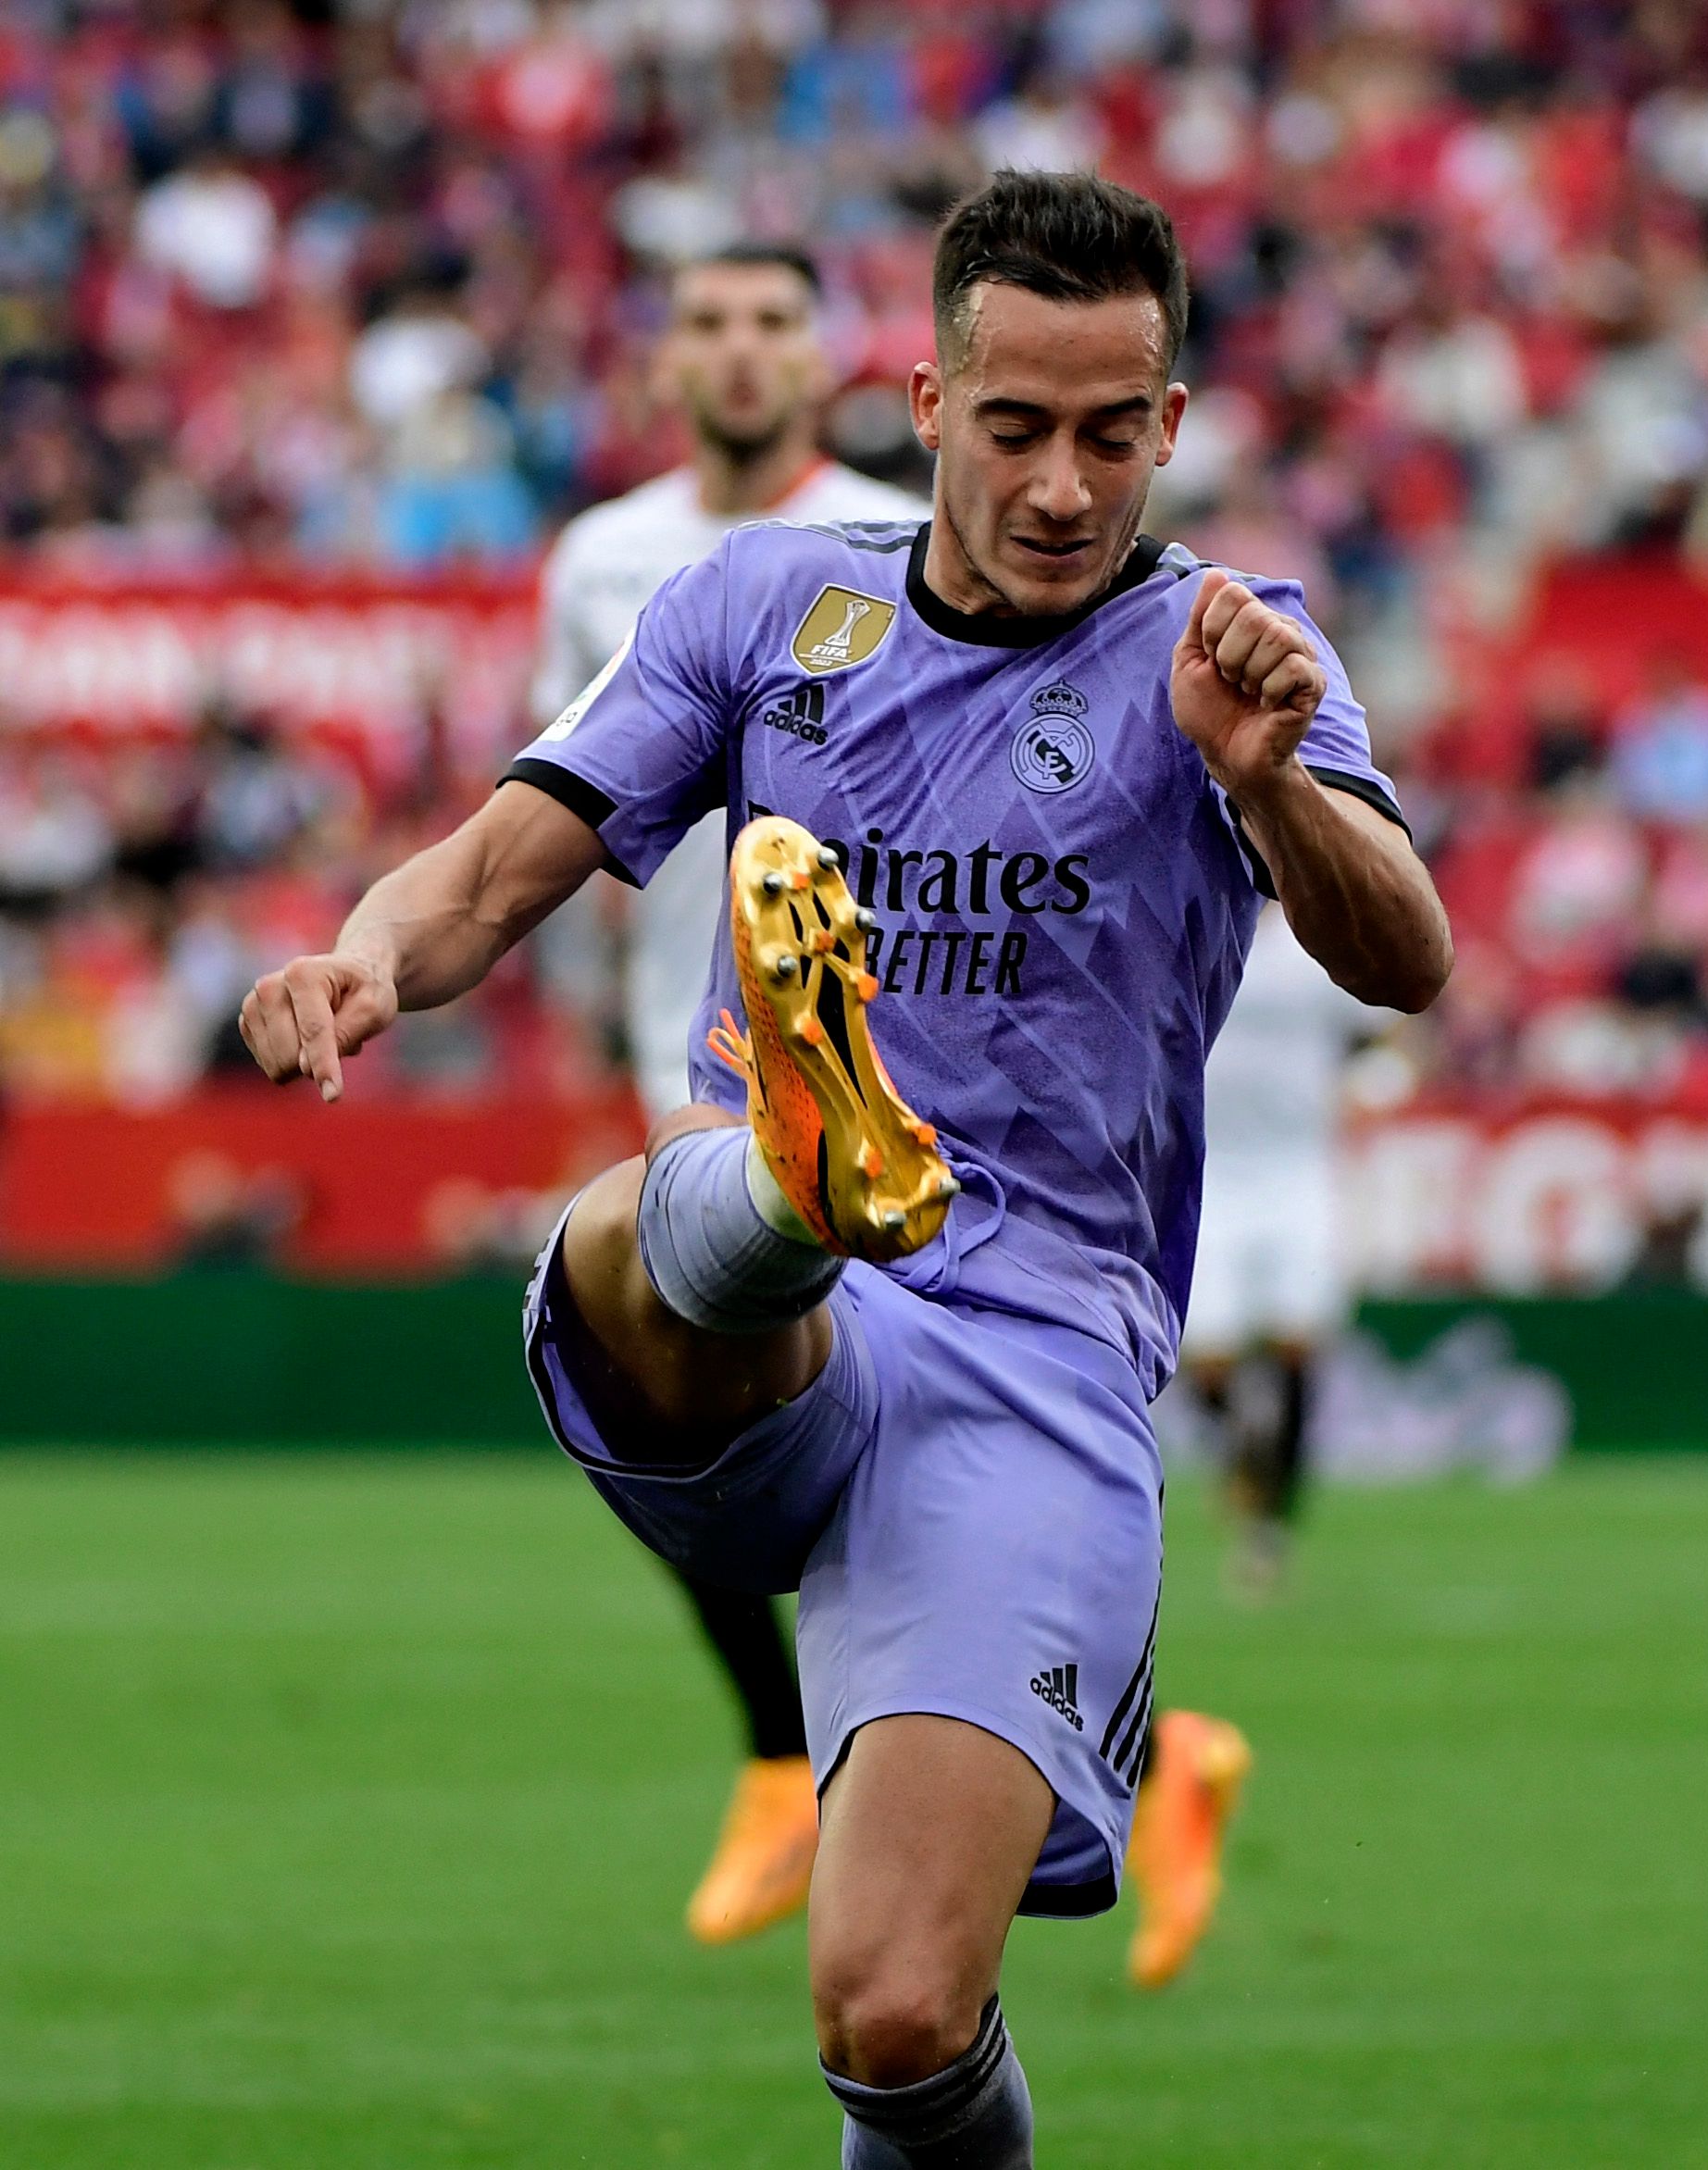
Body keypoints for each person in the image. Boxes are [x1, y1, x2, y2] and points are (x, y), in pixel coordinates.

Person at [241, 172, 1451, 2165]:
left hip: (1041, 1362)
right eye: (1016, 427)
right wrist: (368, 955)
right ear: (925, 399)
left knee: (893, 2007)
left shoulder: (1236, 648)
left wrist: (1262, 779)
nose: (1066, 484)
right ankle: (807, 1181)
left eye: (1114, 433)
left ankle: (801, 1179)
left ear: (1171, 419)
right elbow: (489, 868)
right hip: (782, 1327)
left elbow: (1405, 952)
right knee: (665, 1216)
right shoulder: (761, 606)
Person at [531, 241, 931, 1951]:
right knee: (678, 1406)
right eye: (709, 317)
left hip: (876, 1055)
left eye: (775, 318)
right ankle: (789, 1754)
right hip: (674, 1052)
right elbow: (566, 784)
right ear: (667, 354)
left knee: (912, 1440)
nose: (744, 348)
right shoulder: (601, 558)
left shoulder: (893, 534)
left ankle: (961, 1766)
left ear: (825, 352)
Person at [1178, 902, 1381, 1603]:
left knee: (1300, 1344)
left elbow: (1380, 1026)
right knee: (1204, 1361)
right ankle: (1242, 1448)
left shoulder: (1311, 945)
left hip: (1300, 1169)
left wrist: (1368, 1081)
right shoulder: (1190, 927)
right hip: (1214, 1172)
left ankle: (1270, 1529)